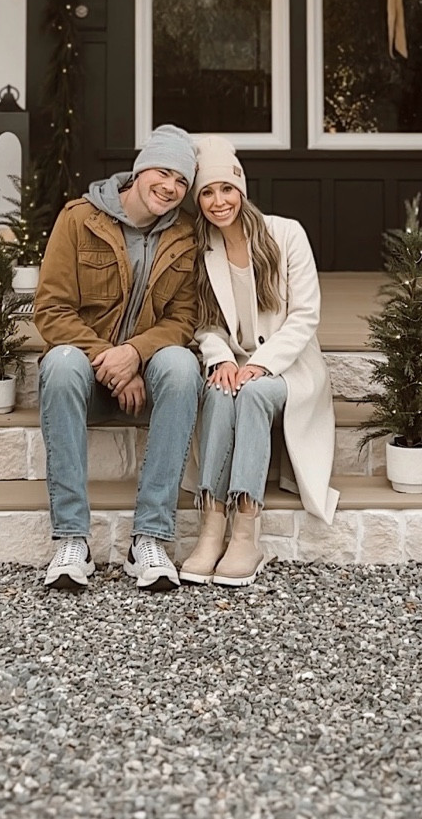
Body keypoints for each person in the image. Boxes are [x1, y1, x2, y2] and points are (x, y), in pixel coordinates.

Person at [33, 124, 201, 592]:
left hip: (146, 382)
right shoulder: (78, 218)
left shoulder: (186, 235)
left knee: (184, 366)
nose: (169, 187)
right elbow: (51, 309)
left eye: (181, 182)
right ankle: (72, 542)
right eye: (162, 173)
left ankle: (149, 538)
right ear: (140, 169)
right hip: (83, 378)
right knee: (62, 361)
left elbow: (183, 319)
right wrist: (110, 358)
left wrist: (135, 354)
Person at [180, 134, 339, 587]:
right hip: (235, 362)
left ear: (241, 190)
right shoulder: (200, 248)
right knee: (218, 393)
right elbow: (205, 322)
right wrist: (219, 359)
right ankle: (211, 527)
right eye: (207, 192)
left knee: (250, 396)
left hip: (289, 366)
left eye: (226, 189)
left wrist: (261, 365)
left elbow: (306, 314)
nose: (218, 201)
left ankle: (246, 531)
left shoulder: (285, 234)